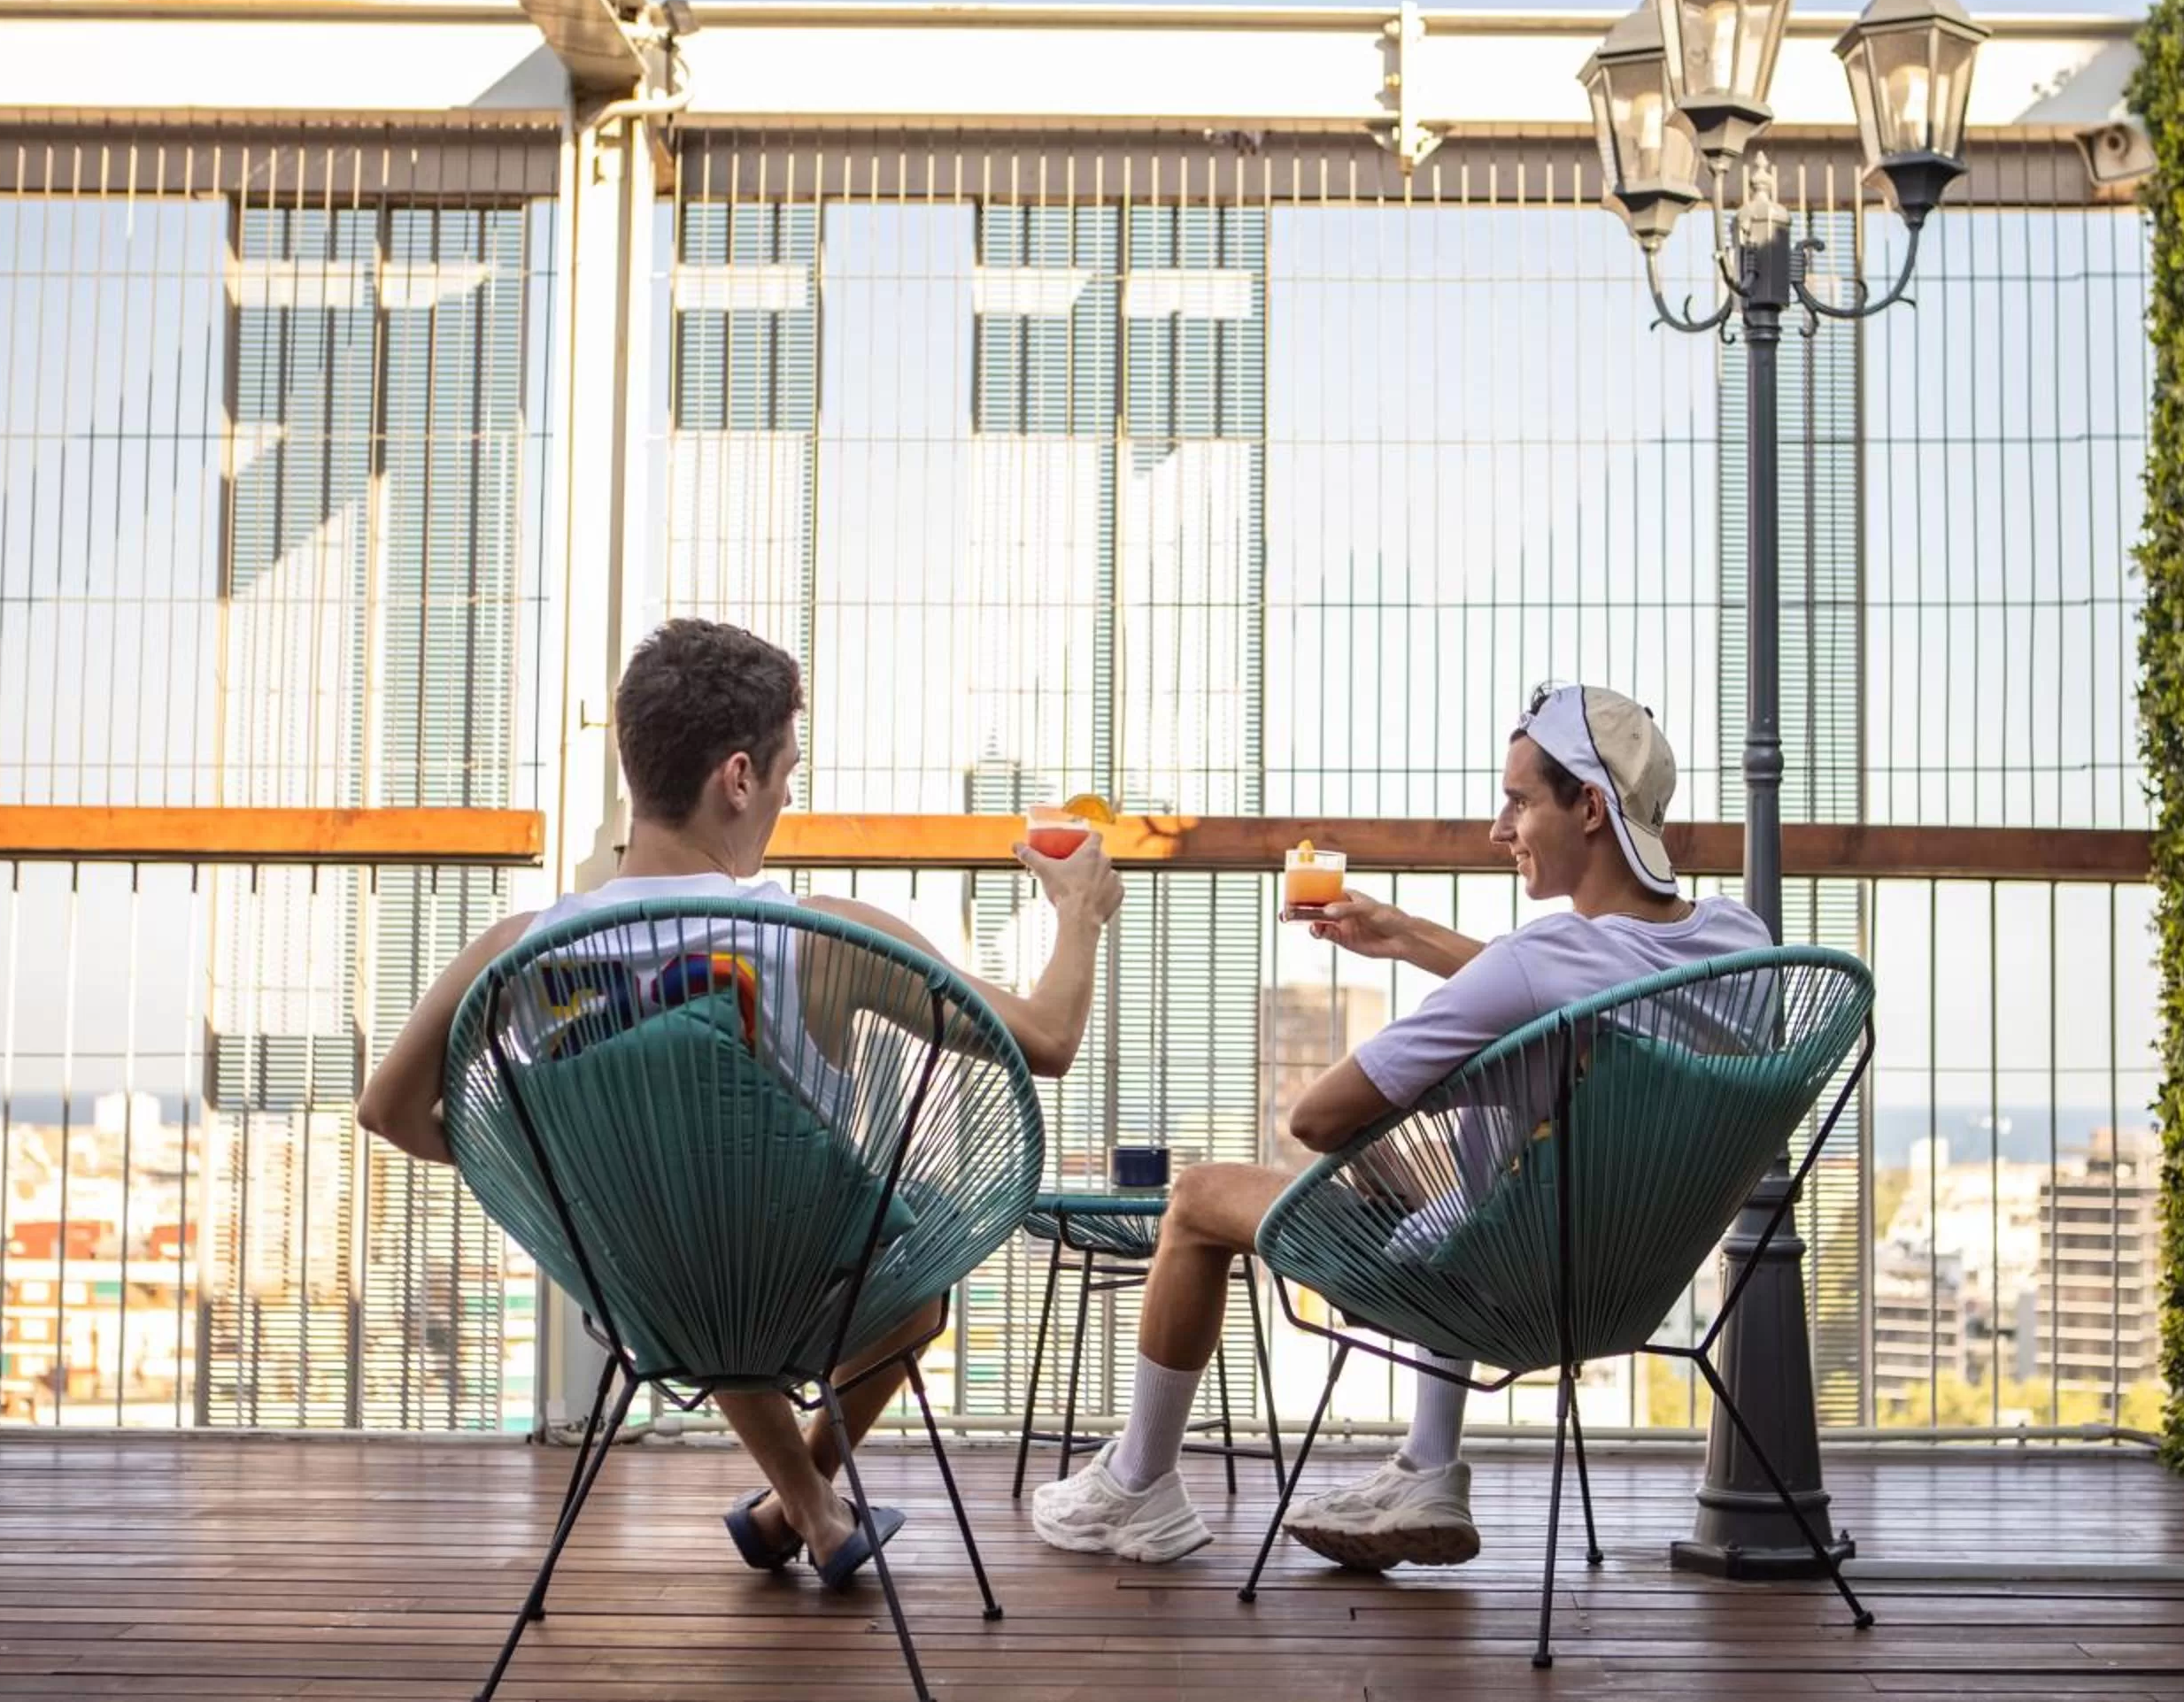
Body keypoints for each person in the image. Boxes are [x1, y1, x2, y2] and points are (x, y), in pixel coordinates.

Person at [358, 618, 1123, 1587]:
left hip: (640, 1294)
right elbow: (1047, 1041)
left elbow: (387, 1110)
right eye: (786, 769)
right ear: (737, 777)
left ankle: (799, 1509)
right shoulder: (819, 936)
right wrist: (1076, 915)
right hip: (810, 1298)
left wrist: (550, 1177)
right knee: (908, 1274)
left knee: (694, 1234)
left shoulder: (515, 951)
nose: (789, 791)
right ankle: (810, 1500)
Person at [1030, 682, 1768, 1570]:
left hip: (1494, 1285)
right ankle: (1425, 1463)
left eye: (1520, 800)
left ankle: (1138, 1487)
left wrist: (1461, 1060)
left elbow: (1320, 1116)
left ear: (1592, 808)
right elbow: (1591, 987)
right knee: (1458, 1175)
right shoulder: (1742, 945)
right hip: (1626, 1280)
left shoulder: (1541, 963)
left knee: (1196, 1198)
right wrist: (1411, 938)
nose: (1501, 828)